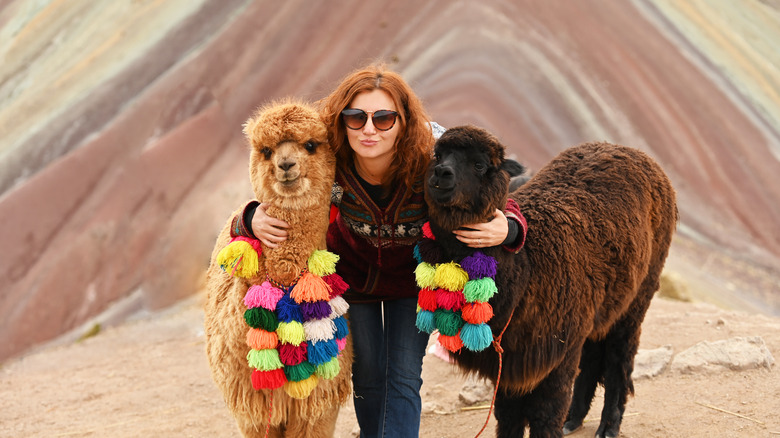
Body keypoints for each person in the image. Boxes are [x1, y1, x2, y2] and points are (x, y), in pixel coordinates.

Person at [230, 64, 525, 438]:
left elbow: (492, 180)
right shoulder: (328, 153)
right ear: (343, 119)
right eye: (357, 117)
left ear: (402, 121)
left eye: (383, 118)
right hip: (355, 282)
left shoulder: (433, 156)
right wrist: (249, 216)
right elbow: (275, 188)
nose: (369, 129)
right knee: (368, 377)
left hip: (410, 283)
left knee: (402, 375)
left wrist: (509, 225)